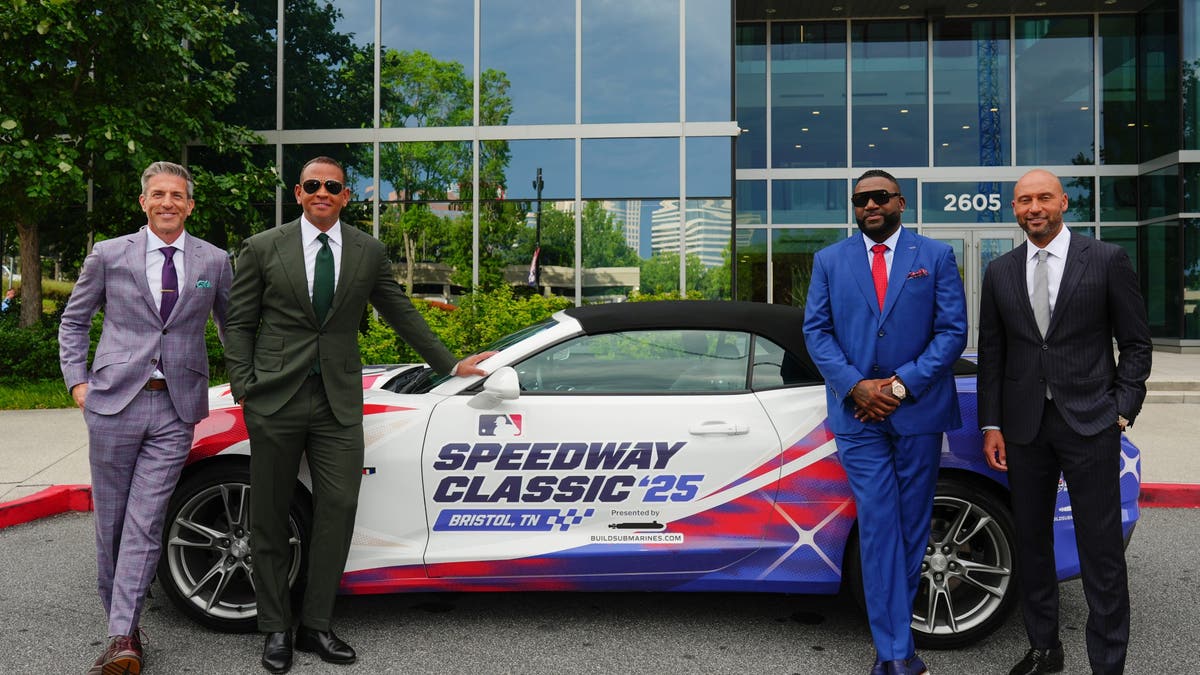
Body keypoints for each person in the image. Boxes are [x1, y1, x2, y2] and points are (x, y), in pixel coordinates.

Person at [224, 156, 492, 674]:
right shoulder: (262, 248)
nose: (322, 192)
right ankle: (275, 627)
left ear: (347, 196)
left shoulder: (368, 250)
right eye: (312, 185)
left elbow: (399, 309)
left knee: (339, 507)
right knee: (270, 516)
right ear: (297, 193)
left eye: (333, 186)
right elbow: (239, 323)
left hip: (338, 401)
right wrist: (244, 386)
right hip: (274, 401)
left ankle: (316, 626)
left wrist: (450, 363)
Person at [59, 161, 232, 675]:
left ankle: (120, 638)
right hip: (113, 402)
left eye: (177, 195)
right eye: (158, 194)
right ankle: (125, 625)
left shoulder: (215, 260)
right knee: (111, 523)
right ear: (143, 202)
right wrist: (78, 383)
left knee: (146, 522)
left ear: (190, 205)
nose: (167, 203)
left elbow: (232, 326)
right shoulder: (110, 254)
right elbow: (74, 320)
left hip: (176, 407)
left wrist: (250, 379)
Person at [978, 169, 1151, 675]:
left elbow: (1136, 343)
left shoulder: (1105, 260)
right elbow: (993, 354)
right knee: (1032, 543)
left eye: (1043, 198)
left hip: (1091, 422)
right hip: (1024, 429)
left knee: (1101, 551)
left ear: (1064, 203)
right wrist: (991, 425)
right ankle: (1044, 649)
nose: (1034, 207)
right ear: (1015, 209)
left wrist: (1122, 408)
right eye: (1024, 199)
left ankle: (1107, 663)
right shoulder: (1001, 271)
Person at [803, 169, 967, 675]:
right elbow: (817, 330)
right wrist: (856, 386)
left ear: (900, 202)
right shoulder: (829, 260)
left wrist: (896, 387)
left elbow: (952, 332)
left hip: (915, 412)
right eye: (860, 200)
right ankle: (896, 650)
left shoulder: (934, 257)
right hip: (857, 415)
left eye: (880, 197)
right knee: (877, 525)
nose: (870, 206)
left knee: (912, 527)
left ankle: (896, 644)